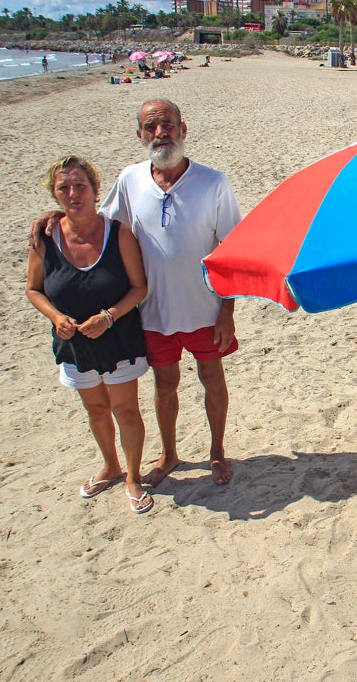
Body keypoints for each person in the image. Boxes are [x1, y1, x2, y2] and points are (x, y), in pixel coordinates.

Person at [31, 99, 243, 487]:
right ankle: (170, 453)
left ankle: (217, 452)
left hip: (205, 308)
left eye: (168, 124)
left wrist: (227, 311)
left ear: (183, 129)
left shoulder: (214, 182)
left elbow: (231, 249)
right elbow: (101, 220)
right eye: (151, 127)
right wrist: (55, 217)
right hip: (152, 312)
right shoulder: (130, 180)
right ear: (141, 135)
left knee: (212, 378)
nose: (160, 132)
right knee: (165, 385)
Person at [26, 155, 154, 514]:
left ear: (96, 191)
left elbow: (138, 287)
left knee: (125, 410)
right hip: (74, 342)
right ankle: (110, 467)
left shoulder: (118, 233)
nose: (72, 193)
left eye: (80, 185)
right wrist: (55, 317)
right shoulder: (44, 238)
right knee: (96, 409)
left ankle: (132, 476)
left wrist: (108, 317)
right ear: (54, 193)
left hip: (118, 338)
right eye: (63, 187)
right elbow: (33, 289)